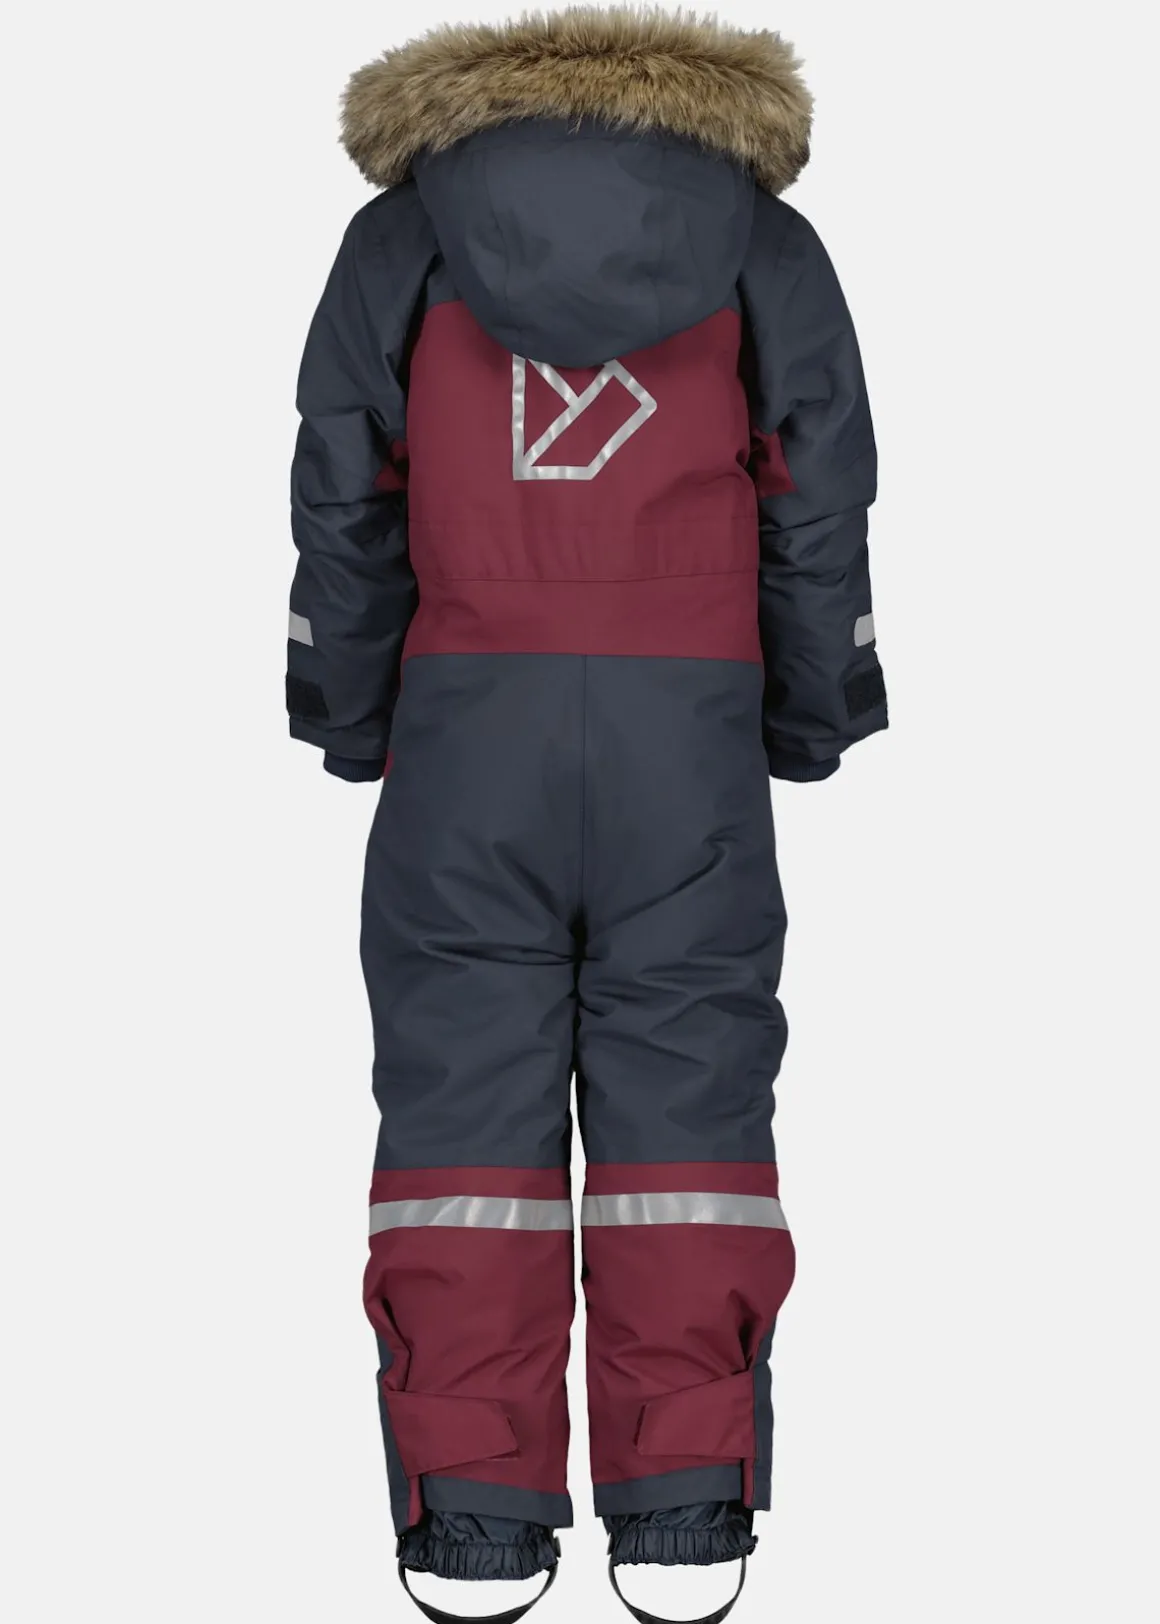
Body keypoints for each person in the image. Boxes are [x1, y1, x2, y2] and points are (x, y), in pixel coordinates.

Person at [286, 10, 887, 1621]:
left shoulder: (402, 238)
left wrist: (349, 712)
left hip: (465, 733)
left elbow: (343, 489)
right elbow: (819, 490)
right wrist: (811, 711)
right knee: (690, 1113)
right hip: (686, 743)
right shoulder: (760, 240)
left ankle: (471, 1515)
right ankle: (687, 1506)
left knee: (459, 1121)